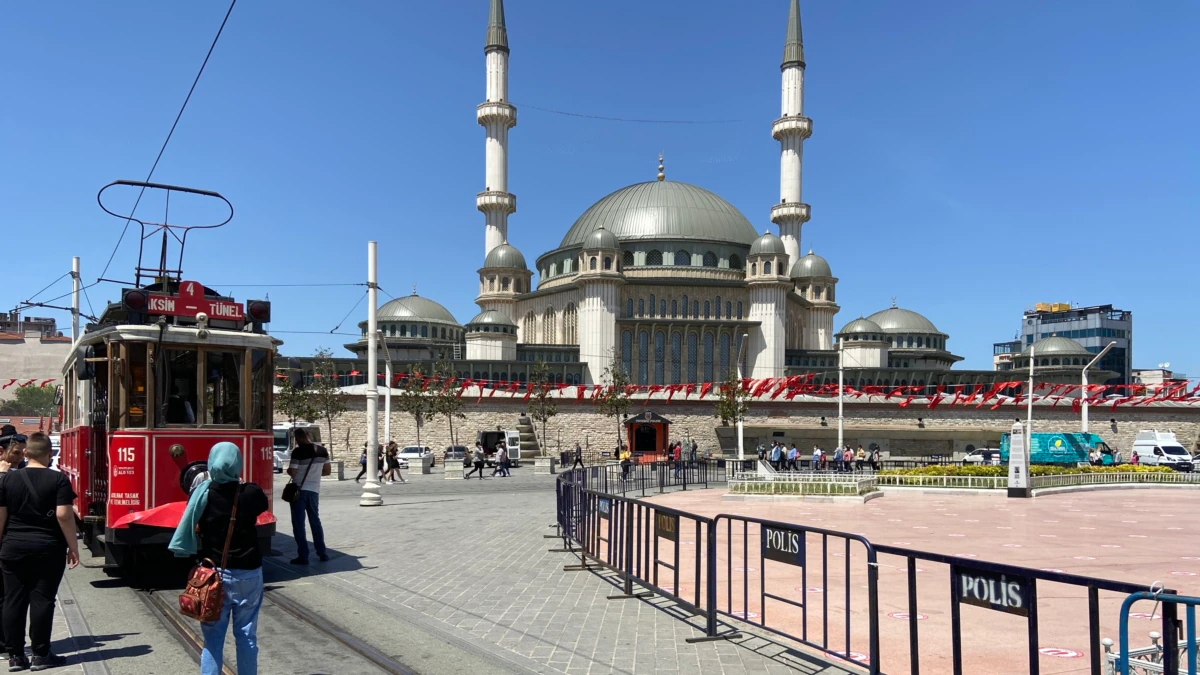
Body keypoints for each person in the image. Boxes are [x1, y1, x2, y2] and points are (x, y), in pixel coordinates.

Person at [170, 442, 268, 675]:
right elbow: (261, 508)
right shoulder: (252, 492)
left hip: (214, 576)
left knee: (213, 640)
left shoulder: (203, 493)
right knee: (246, 635)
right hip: (249, 574)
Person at [0, 432, 79, 670]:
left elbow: (1, 516)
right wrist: (73, 547)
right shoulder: (59, 480)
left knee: (12, 600)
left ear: (25, 453)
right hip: (48, 548)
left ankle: (15, 655)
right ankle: (41, 654)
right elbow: (64, 515)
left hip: (12, 546)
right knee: (42, 600)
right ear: (50, 454)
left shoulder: (6, 480)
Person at [286, 429, 330, 565]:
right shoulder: (322, 451)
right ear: (308, 435)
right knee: (315, 521)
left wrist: (290, 471)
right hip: (314, 490)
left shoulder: (298, 452)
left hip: (299, 491)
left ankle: (303, 556)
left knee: (299, 524)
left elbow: (292, 471)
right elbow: (327, 472)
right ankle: (322, 552)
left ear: (298, 438)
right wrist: (314, 475)